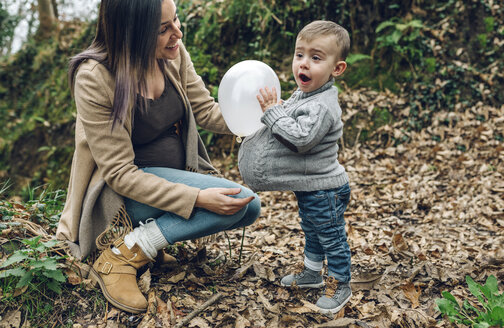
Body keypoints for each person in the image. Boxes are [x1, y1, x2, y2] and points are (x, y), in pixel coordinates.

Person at [55, 0, 261, 314]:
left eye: (175, 20)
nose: (177, 32)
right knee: (244, 199)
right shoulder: (95, 77)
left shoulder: (172, 54)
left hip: (163, 182)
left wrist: (264, 118)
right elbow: (121, 174)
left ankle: (148, 243)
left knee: (246, 209)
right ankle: (122, 254)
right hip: (123, 196)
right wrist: (197, 197)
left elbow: (205, 110)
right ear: (131, 34)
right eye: (163, 29)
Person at [238, 20, 352, 314]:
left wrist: (273, 112)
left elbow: (301, 138)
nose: (304, 64)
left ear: (336, 69)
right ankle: (312, 274)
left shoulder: (323, 105)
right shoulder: (305, 94)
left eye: (315, 58)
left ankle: (340, 284)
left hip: (326, 189)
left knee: (331, 236)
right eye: (299, 55)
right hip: (310, 187)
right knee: (312, 231)